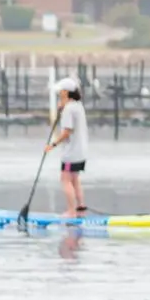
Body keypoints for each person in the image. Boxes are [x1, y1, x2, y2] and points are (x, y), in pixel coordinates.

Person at [45, 76, 89, 218]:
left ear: (65, 92)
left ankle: (71, 211)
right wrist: (62, 107)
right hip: (81, 152)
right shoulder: (77, 105)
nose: (59, 94)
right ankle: (80, 207)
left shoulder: (69, 109)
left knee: (65, 179)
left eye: (61, 92)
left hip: (71, 153)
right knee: (74, 178)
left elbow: (67, 132)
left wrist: (52, 145)